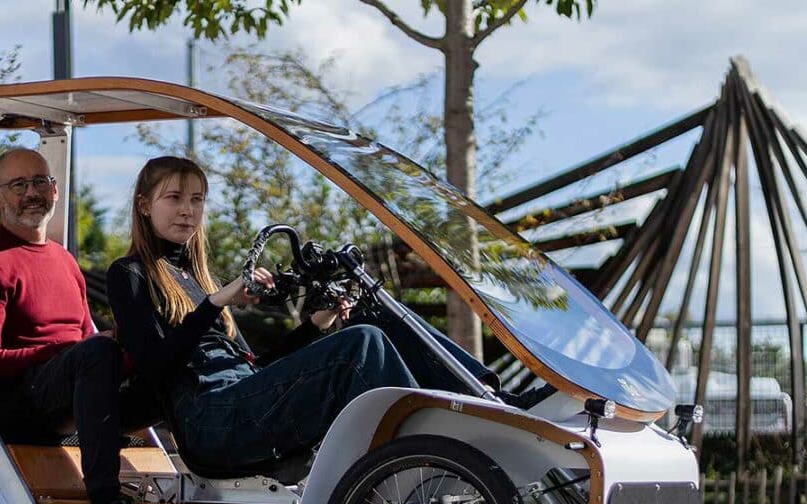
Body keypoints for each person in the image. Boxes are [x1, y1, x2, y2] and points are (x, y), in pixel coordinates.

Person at [106, 156, 555, 472]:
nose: (188, 209)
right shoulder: (129, 275)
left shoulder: (199, 278)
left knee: (372, 316)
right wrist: (215, 304)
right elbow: (152, 367)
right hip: (211, 424)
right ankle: (438, 443)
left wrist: (313, 326)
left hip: (242, 402)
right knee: (362, 344)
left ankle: (495, 403)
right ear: (145, 205)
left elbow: (256, 367)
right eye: (174, 198)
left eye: (198, 199)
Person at [0, 147, 168, 504]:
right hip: (16, 405)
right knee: (96, 354)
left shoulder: (64, 260)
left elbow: (87, 343)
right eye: (18, 185)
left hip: (69, 391)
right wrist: (69, 349)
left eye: (40, 182)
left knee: (163, 359)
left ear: (54, 190)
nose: (31, 192)